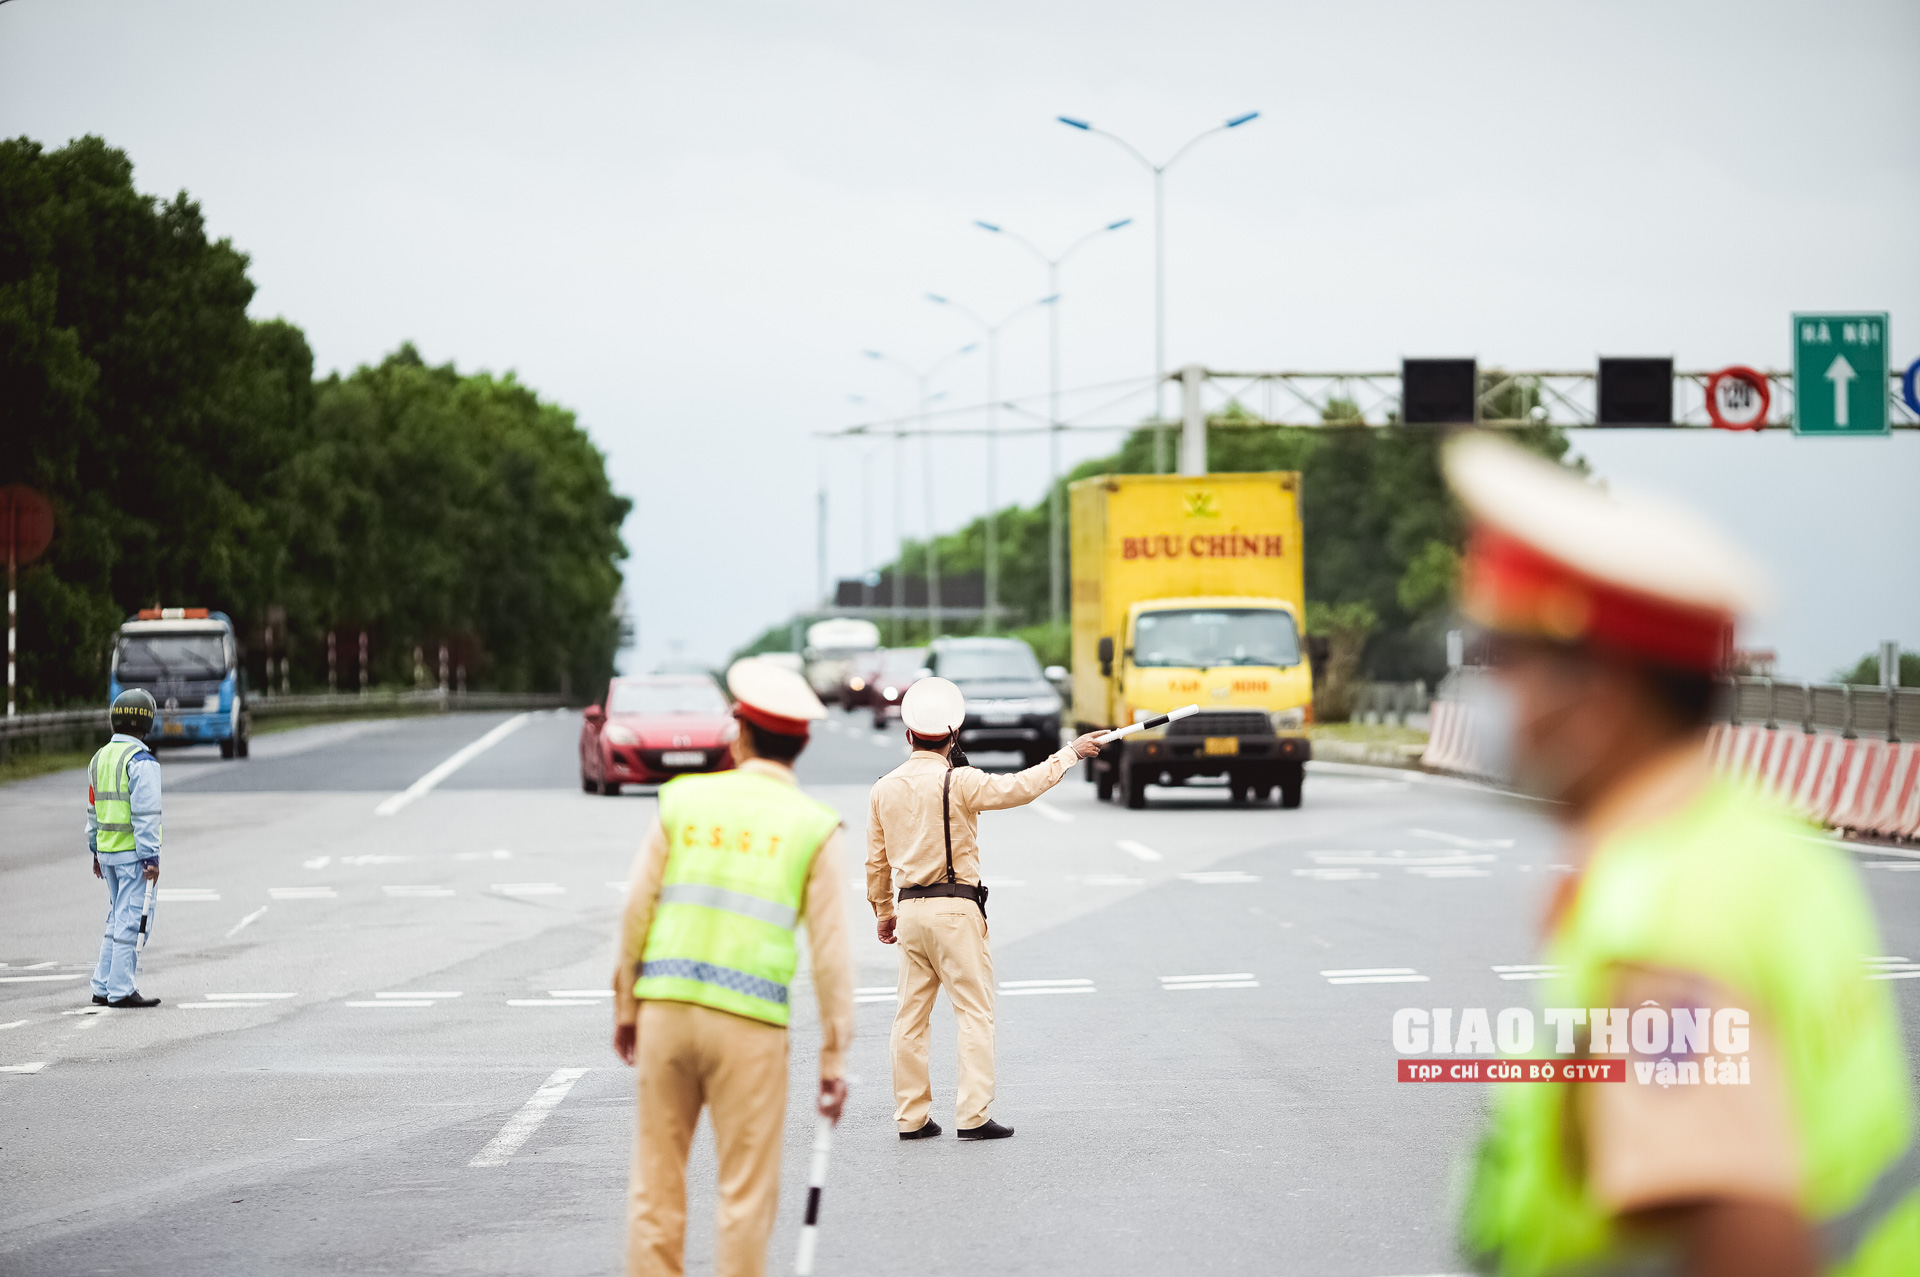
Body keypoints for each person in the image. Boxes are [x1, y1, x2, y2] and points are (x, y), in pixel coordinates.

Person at [1445, 435, 1919, 1277]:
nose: (1482, 691)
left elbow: (1743, 1235)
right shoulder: (1758, 840)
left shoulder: (1665, 918)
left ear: (1598, 691)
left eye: (1506, 659)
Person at [612, 657, 853, 1277]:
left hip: (665, 1011)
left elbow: (637, 910)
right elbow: (830, 958)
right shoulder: (813, 826)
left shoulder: (682, 802)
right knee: (744, 1195)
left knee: (656, 1185)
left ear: (739, 731)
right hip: (750, 1025)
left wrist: (626, 1006)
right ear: (801, 744)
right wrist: (834, 1057)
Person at [865, 676, 1103, 1141]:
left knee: (909, 1018)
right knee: (973, 1012)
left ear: (909, 735)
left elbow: (876, 863)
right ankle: (973, 1116)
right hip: (956, 910)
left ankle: (911, 1118)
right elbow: (1021, 788)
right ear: (954, 734)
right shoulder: (962, 780)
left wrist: (883, 913)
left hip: (910, 912)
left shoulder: (883, 788)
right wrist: (1069, 753)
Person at [86, 688, 164, 1009]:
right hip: (133, 855)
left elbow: (93, 810)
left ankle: (102, 985)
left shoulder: (99, 757)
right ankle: (120, 989)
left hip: (107, 854)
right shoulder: (142, 762)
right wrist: (151, 857)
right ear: (146, 723)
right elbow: (145, 816)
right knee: (130, 921)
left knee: (116, 919)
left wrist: (94, 849)